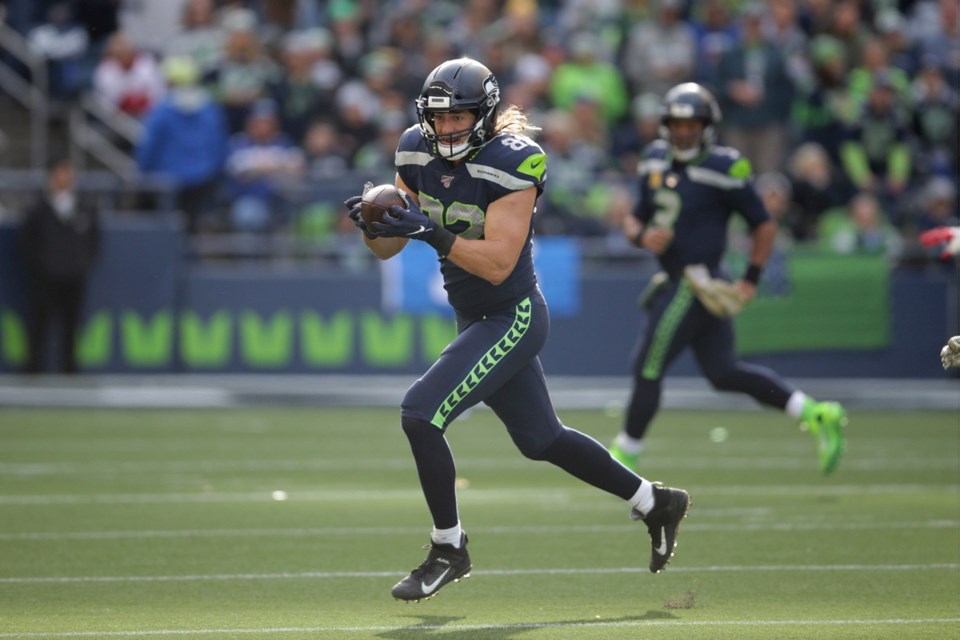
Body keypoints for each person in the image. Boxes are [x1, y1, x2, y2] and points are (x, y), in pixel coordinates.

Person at [344, 57, 691, 603]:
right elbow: (388, 249)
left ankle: (448, 548)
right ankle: (655, 501)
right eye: (439, 118)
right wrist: (374, 225)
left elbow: (499, 263)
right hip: (472, 314)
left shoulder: (515, 161)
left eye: (459, 117)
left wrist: (430, 233)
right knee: (541, 439)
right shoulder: (414, 148)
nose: (447, 128)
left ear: (482, 116)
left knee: (420, 412)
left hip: (513, 315)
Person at [607, 83, 848, 476]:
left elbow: (764, 225)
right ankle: (815, 412)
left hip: (696, 280)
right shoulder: (653, 158)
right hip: (680, 279)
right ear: (666, 125)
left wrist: (752, 278)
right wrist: (640, 235)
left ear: (707, 126)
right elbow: (636, 214)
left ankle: (626, 453)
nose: (684, 132)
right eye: (678, 124)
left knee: (647, 367)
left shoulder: (724, 166)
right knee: (723, 373)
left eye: (692, 124)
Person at [18, 157, 101, 374]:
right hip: (45, 278)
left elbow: (94, 242)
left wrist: (82, 264)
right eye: (62, 172)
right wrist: (43, 265)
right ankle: (33, 370)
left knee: (71, 327)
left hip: (74, 278)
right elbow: (26, 242)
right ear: (51, 176)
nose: (66, 177)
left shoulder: (85, 207)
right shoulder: (38, 208)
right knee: (39, 325)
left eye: (69, 173)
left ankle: (70, 371)